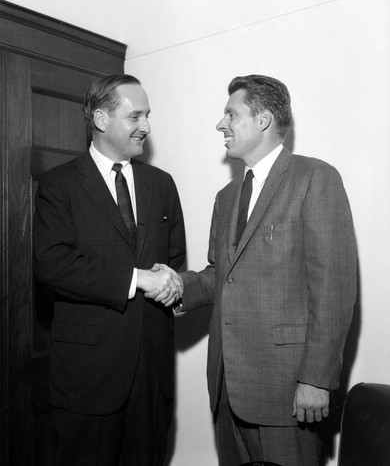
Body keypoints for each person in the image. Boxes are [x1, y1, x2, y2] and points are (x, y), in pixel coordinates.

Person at [151, 75, 357, 466]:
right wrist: (177, 285)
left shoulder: (316, 179)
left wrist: (315, 379)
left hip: (287, 390)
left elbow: (334, 289)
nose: (220, 124)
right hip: (227, 388)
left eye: (231, 113)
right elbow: (221, 275)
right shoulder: (227, 197)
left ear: (262, 120)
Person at [33, 74, 186, 466]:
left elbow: (174, 259)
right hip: (89, 378)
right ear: (101, 119)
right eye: (135, 116)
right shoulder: (59, 185)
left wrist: (169, 281)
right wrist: (139, 279)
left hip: (152, 375)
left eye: (147, 116)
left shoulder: (161, 184)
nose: (146, 127)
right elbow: (52, 263)